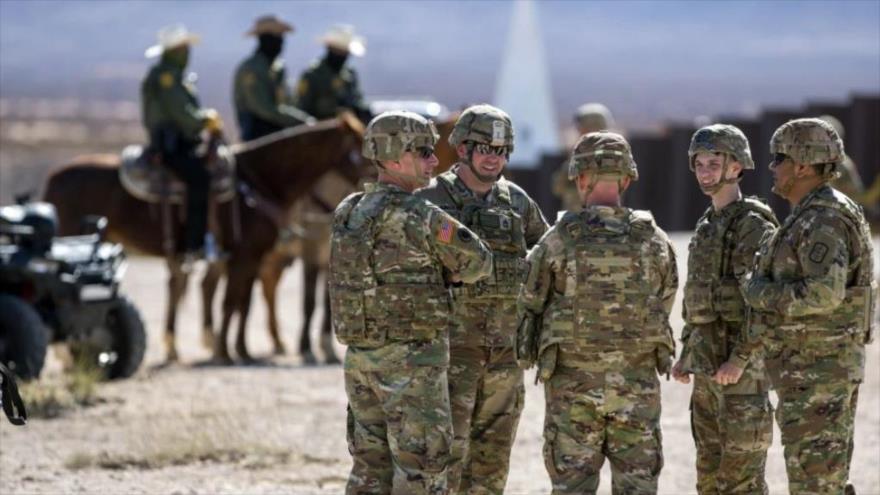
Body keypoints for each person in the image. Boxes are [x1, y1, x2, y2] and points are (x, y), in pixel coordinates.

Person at [328, 111, 493, 494]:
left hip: (361, 360)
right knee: (422, 470)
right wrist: (447, 273)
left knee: (370, 470)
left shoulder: (347, 212)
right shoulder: (422, 215)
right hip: (414, 365)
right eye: (424, 152)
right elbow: (479, 261)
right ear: (393, 157)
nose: (435, 161)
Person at [516, 132, 678, 494]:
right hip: (636, 387)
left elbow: (529, 298)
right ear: (625, 178)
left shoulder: (558, 239)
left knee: (572, 487)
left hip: (573, 391)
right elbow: (664, 298)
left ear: (581, 178)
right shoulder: (654, 240)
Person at [415, 104, 548, 493]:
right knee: (443, 459)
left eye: (502, 149)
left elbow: (544, 259)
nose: (494, 157)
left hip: (505, 358)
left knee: (492, 462)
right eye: (484, 147)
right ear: (461, 149)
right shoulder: (431, 199)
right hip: (449, 356)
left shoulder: (517, 202)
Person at [743, 118, 876, 495]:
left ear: (802, 165)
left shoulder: (824, 219)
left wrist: (760, 292)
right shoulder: (813, 212)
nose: (772, 167)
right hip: (812, 369)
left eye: (778, 159)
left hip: (819, 372)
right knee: (821, 481)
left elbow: (823, 293)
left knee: (815, 484)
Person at [670, 124, 777, 494]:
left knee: (742, 480)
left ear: (736, 167)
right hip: (707, 372)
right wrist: (687, 353)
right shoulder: (707, 225)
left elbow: (764, 305)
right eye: (699, 164)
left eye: (713, 163)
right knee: (709, 478)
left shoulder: (752, 226)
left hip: (741, 377)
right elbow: (698, 299)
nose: (704, 172)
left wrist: (740, 359)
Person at [141, 25, 223, 257]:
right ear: (175, 51)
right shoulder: (166, 78)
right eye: (184, 49)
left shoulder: (176, 77)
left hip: (183, 143)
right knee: (200, 178)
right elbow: (182, 113)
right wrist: (205, 120)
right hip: (171, 146)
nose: (188, 54)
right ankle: (194, 244)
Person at [233, 15, 313, 141]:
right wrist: (299, 120)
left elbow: (286, 101)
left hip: (282, 134)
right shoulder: (251, 70)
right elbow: (264, 109)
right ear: (265, 40)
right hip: (257, 139)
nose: (281, 42)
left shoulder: (278, 68)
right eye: (277, 38)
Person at [296, 24, 371, 123]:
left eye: (345, 52)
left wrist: (361, 109)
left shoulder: (350, 74)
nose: (342, 56)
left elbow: (358, 99)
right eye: (338, 51)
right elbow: (302, 106)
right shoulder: (312, 75)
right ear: (330, 49)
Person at [552, 103, 614, 213]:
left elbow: (558, 187)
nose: (579, 131)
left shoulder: (588, 157)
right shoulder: (615, 155)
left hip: (586, 221)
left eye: (582, 128)